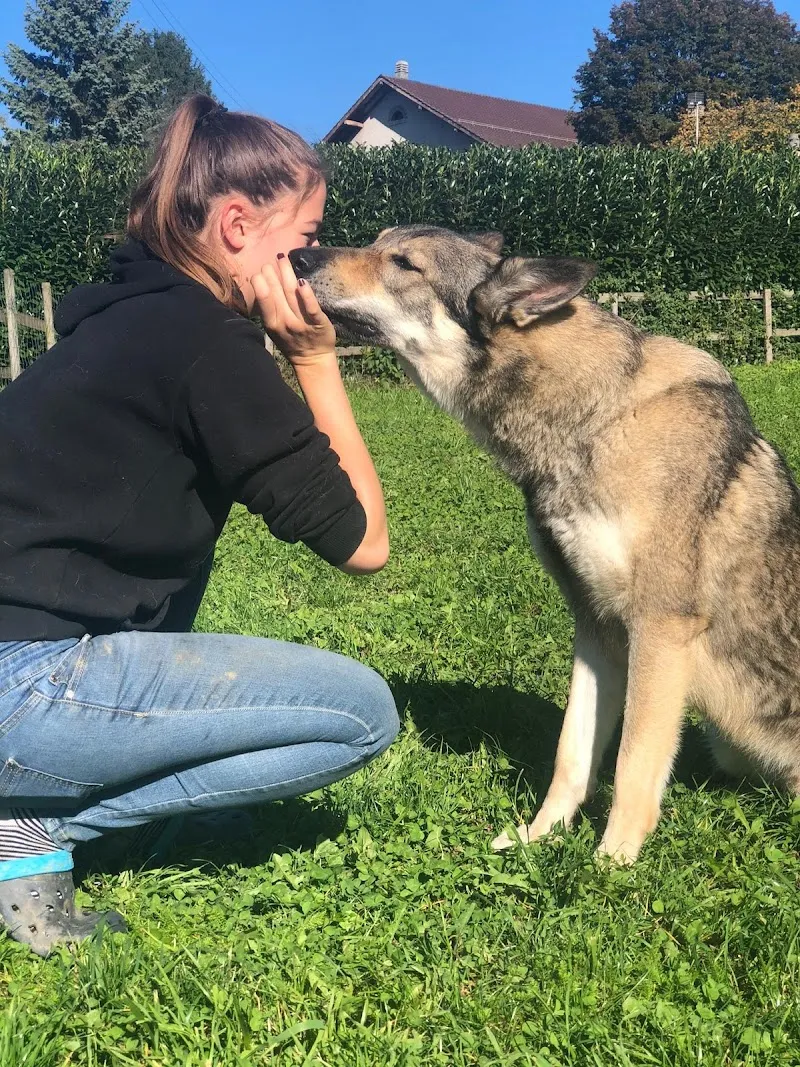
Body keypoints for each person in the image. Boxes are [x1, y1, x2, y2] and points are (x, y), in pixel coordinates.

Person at [0, 95, 399, 957]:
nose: (313, 265)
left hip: (15, 668)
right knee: (362, 715)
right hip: (19, 683)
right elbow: (365, 542)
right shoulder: (203, 341)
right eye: (305, 239)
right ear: (235, 223)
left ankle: (22, 811)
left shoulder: (120, 313)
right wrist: (315, 359)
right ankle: (21, 824)